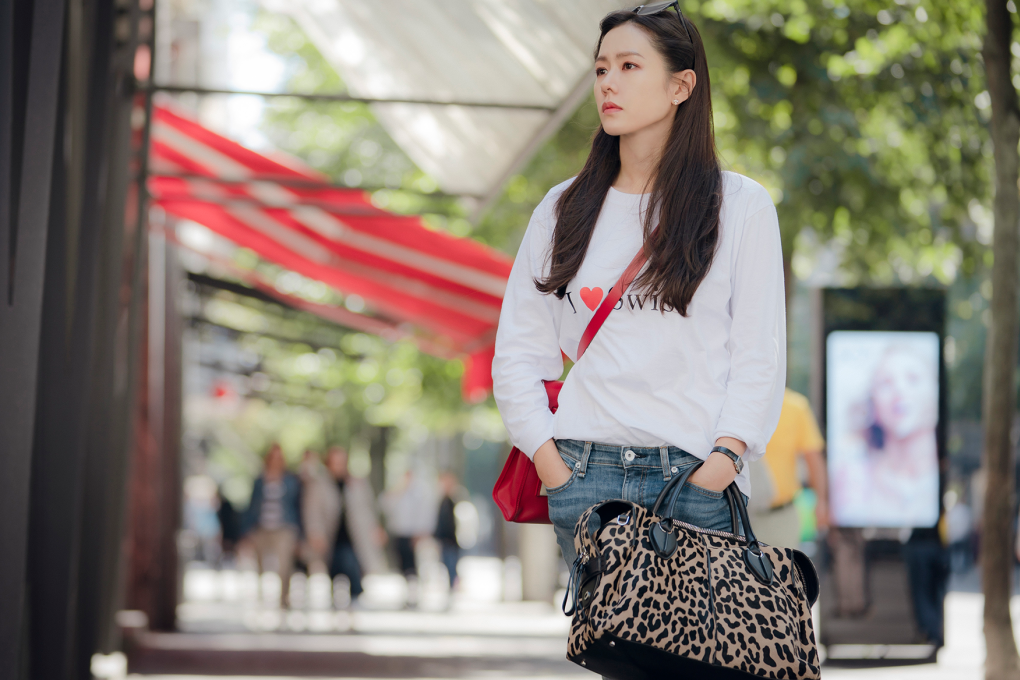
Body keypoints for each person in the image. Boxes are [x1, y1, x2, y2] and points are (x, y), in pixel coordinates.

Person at [492, 4, 785, 569]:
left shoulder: (740, 205)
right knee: (616, 658)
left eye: (629, 67)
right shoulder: (563, 208)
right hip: (586, 476)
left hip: (698, 476)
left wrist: (723, 462)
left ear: (681, 85)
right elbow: (519, 353)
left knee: (703, 657)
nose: (608, 84)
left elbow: (759, 353)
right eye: (601, 69)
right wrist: (553, 468)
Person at [750, 389, 829, 548]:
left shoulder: (796, 406)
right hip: (742, 515)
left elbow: (813, 459)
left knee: (784, 571)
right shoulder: (738, 403)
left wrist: (821, 501)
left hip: (783, 515)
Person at [240, 443, 302, 607]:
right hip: (262, 528)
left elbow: (297, 505)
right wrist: (247, 532)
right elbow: (251, 506)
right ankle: (261, 599)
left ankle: (283, 599)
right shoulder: (260, 481)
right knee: (260, 565)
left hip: (284, 528)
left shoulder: (290, 480)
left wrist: (300, 533)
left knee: (284, 565)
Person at [324, 445, 385, 605]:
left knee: (351, 564)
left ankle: (355, 596)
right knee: (335, 569)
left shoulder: (356, 483)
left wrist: (376, 528)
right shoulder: (321, 485)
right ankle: (341, 599)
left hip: (353, 535)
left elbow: (368, 507)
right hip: (331, 536)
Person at [381, 470, 435, 607]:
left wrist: (421, 531)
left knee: (412, 564)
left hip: (413, 533)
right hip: (399, 532)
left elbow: (425, 512)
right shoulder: (397, 491)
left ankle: (414, 592)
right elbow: (384, 506)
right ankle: (407, 590)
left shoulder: (420, 491)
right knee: (401, 562)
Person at [299, 448, 341, 575]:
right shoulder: (316, 483)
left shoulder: (346, 482)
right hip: (313, 534)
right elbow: (312, 510)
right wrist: (315, 531)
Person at [434, 472, 462, 590]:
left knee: (451, 565)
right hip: (445, 539)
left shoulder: (453, 500)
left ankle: (454, 586)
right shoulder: (442, 500)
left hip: (451, 539)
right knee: (446, 564)